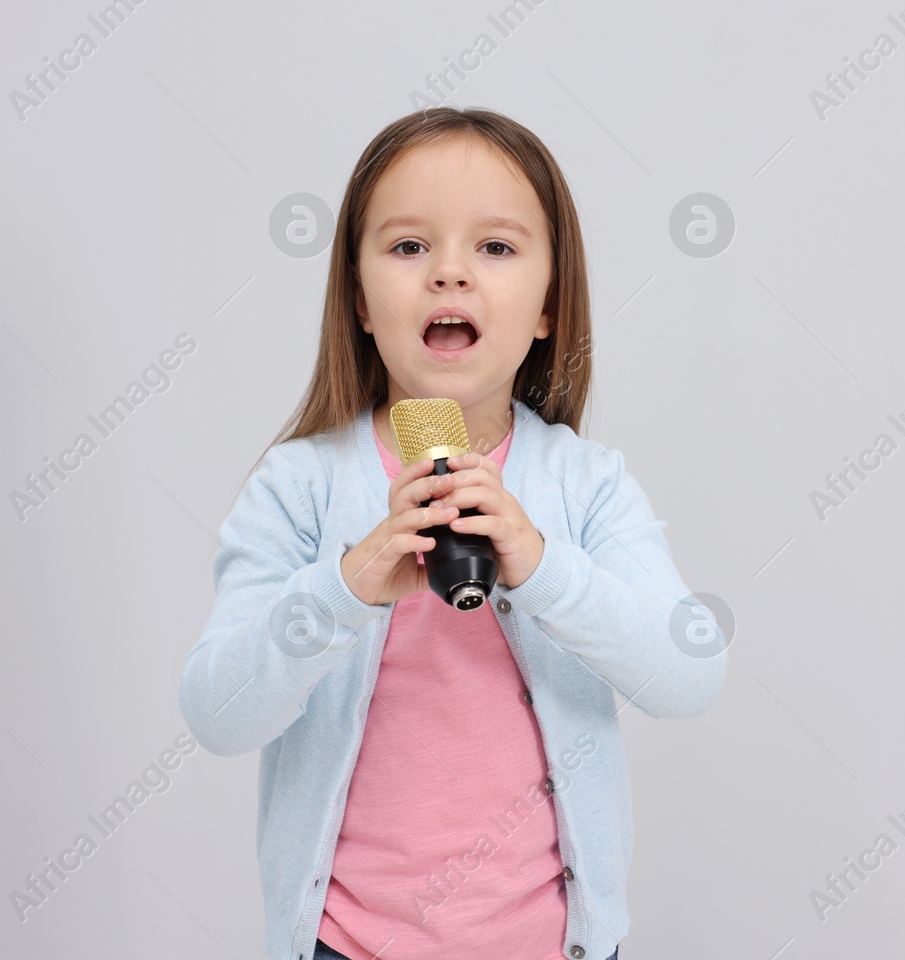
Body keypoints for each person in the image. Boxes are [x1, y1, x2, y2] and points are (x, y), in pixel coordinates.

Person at [178, 107, 727, 960]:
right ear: (360, 300)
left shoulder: (586, 484)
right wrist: (347, 584)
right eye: (408, 247)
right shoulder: (300, 485)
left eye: (496, 248)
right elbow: (217, 710)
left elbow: (689, 674)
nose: (449, 274)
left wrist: (544, 568)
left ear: (549, 306)